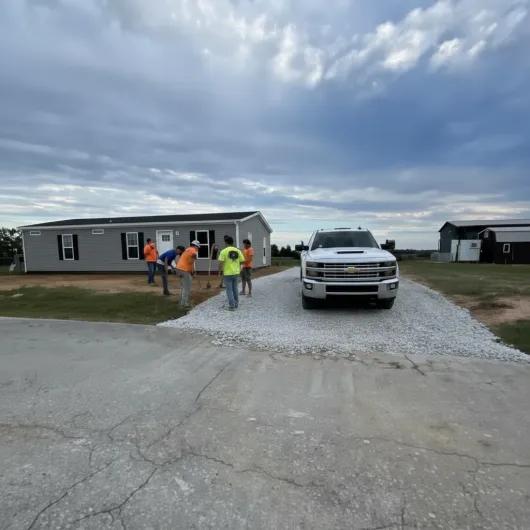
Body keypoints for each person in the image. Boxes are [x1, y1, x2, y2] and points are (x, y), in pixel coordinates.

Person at [218, 236, 245, 311]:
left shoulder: (223, 251)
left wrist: (219, 271)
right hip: (236, 272)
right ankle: (236, 303)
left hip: (227, 273)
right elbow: (242, 261)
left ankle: (231, 305)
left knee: (229, 289)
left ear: (226, 243)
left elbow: (220, 263)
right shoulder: (238, 251)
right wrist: (236, 264)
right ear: (232, 242)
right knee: (235, 288)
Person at [175, 240, 200, 308]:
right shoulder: (192, 250)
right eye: (197, 247)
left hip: (179, 269)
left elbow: (189, 262)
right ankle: (184, 304)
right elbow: (192, 259)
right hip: (184, 270)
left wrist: (191, 272)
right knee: (187, 287)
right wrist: (193, 272)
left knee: (184, 286)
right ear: (195, 246)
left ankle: (182, 301)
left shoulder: (187, 250)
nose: (197, 249)